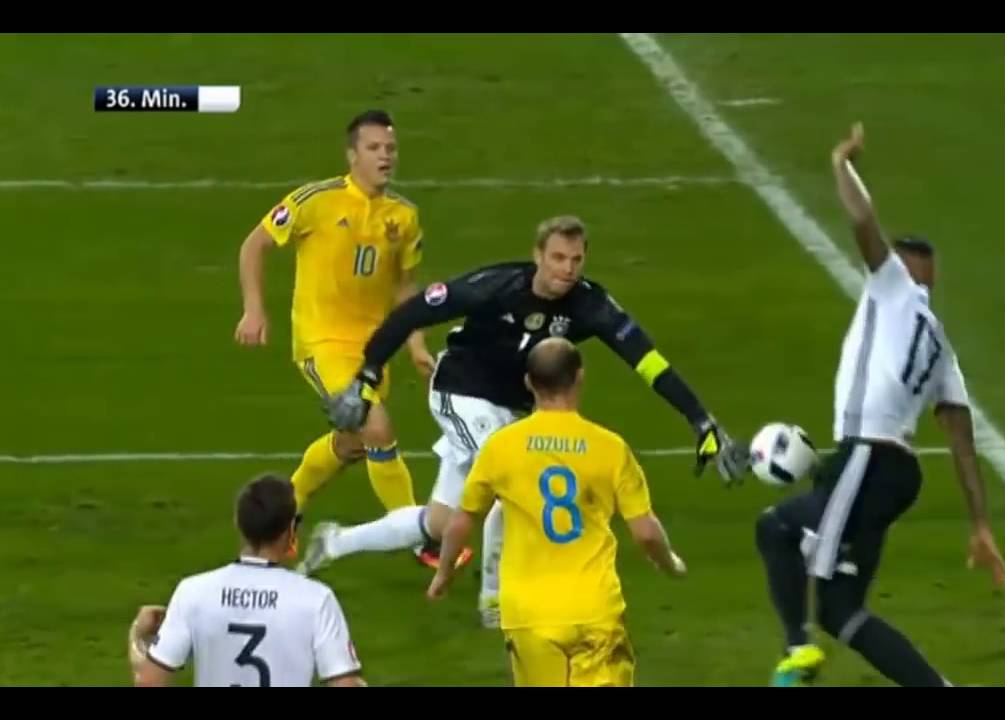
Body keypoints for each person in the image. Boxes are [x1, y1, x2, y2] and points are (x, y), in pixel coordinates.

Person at [321, 215, 745, 627]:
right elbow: (410, 313)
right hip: (460, 391)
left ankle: (335, 542)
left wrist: (701, 420)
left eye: (577, 260)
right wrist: (367, 375)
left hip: (508, 409)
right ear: (538, 255)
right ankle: (494, 599)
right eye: (559, 257)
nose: (568, 269)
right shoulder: (497, 285)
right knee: (515, 482)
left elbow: (647, 361)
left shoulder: (590, 304)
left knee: (441, 522)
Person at [753, 122, 1005, 687]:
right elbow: (962, 442)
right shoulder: (940, 342)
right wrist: (981, 525)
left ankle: (796, 649)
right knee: (843, 611)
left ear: (901, 265)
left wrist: (842, 162)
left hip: (868, 457)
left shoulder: (891, 287)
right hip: (896, 472)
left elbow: (863, 221)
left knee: (778, 529)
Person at [427, 337, 686, 686]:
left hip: (527, 613)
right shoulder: (610, 447)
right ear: (579, 377)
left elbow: (462, 521)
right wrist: (668, 561)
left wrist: (443, 574)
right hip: (593, 608)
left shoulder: (500, 447)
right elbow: (645, 532)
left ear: (529, 383)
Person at [234, 109, 434, 552]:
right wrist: (254, 310)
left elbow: (405, 287)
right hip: (320, 341)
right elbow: (255, 245)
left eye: (391, 148)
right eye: (374, 148)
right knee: (376, 427)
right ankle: (422, 539)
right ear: (352, 155)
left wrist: (417, 345)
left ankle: (292, 506)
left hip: (373, 351)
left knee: (352, 443)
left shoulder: (404, 217)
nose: (385, 156)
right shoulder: (315, 201)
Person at [127, 474, 365, 687]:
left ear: (238, 523)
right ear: (290, 530)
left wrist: (138, 635)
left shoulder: (193, 593)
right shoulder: (317, 600)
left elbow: (148, 682)